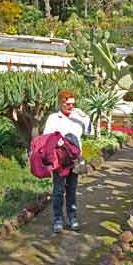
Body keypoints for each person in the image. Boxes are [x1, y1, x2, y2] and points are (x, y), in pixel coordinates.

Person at [43, 89, 93, 233]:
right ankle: (58, 219)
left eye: (72, 104)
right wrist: (57, 141)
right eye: (67, 104)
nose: (70, 106)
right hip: (59, 160)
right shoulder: (53, 118)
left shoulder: (78, 117)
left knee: (72, 189)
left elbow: (89, 133)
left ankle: (72, 218)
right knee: (58, 190)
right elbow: (47, 137)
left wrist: (86, 117)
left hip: (75, 159)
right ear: (60, 103)